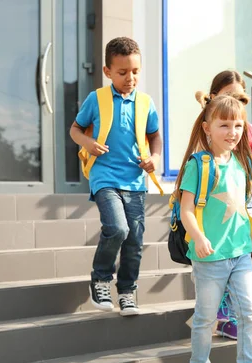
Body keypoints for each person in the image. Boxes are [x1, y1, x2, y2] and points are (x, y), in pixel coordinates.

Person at [175, 93, 252, 363]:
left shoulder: (241, 163)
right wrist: (200, 237)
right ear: (207, 128)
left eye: (239, 125)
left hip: (240, 253)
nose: (233, 132)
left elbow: (241, 210)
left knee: (250, 312)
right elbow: (186, 209)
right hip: (209, 257)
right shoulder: (199, 165)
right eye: (225, 125)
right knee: (206, 317)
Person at [69, 37, 162, 316]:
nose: (130, 78)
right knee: (118, 228)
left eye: (135, 71)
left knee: (134, 239)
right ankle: (100, 278)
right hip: (104, 176)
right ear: (108, 72)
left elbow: (155, 135)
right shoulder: (96, 99)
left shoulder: (145, 102)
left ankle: (127, 291)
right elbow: (75, 129)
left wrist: (154, 159)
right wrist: (87, 143)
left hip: (134, 179)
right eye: (122, 73)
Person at [195, 70, 252, 340]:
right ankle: (222, 315)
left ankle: (233, 313)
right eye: (227, 96)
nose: (233, 103)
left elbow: (247, 167)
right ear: (213, 98)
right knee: (220, 256)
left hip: (244, 198)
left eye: (238, 97)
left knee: (243, 255)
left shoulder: (245, 127)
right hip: (216, 203)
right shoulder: (207, 128)